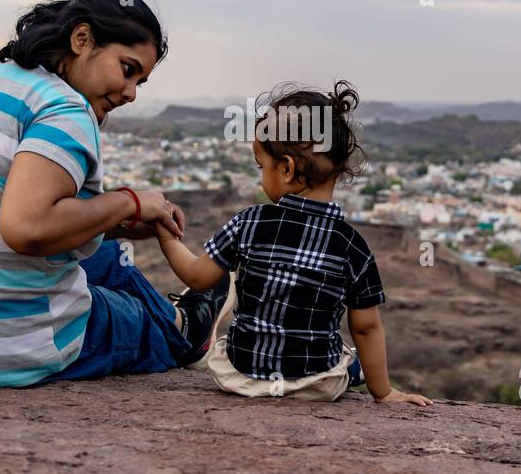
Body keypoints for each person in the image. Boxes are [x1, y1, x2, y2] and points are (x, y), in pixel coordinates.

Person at [0, 0, 230, 388]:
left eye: (140, 83)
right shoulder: (66, 110)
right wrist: (128, 203)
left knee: (110, 256)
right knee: (130, 317)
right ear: (82, 39)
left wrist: (122, 222)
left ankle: (183, 321)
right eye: (127, 69)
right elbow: (27, 228)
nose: (129, 93)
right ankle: (184, 331)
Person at [154, 81, 433, 406]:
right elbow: (367, 327)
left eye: (263, 167)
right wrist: (384, 392)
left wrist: (164, 233)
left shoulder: (250, 222)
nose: (261, 175)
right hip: (316, 384)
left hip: (241, 377)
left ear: (286, 168)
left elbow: (195, 277)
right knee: (347, 356)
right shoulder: (352, 246)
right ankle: (350, 367)